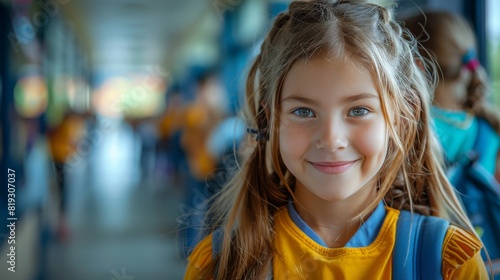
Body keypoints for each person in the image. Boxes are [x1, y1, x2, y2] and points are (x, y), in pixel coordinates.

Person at [184, 1, 488, 279]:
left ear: (401, 116)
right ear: (272, 119)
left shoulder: (449, 263)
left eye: (358, 110)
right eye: (303, 111)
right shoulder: (219, 265)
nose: (331, 139)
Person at [404, 10, 500, 276]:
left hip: (435, 254)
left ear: (415, 65)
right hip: (487, 256)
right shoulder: (489, 126)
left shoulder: (416, 127)